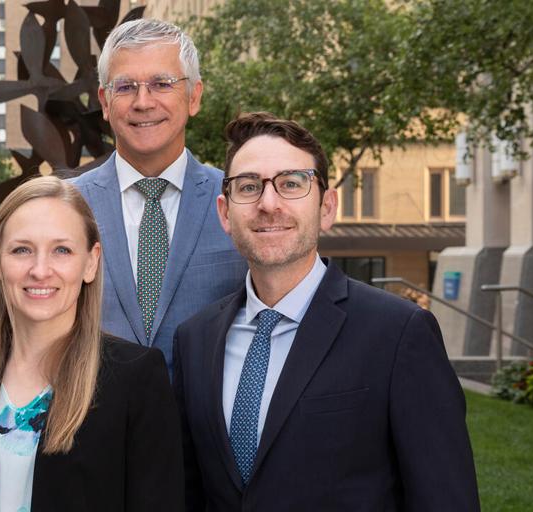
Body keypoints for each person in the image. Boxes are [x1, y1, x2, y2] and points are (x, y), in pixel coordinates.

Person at [173, 112, 479, 510]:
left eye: (291, 184)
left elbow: (445, 499)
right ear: (225, 213)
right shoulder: (195, 339)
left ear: (327, 206)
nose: (268, 203)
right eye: (248, 187)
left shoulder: (398, 333)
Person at [0, 176, 184, 512]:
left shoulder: (135, 378)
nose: (40, 270)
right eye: (22, 250)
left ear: (90, 262)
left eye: (61, 250)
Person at [70, 18, 246, 372]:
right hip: (92, 421)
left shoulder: (241, 202)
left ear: (193, 96)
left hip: (206, 424)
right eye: (125, 87)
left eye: (162, 84)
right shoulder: (66, 207)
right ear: (105, 102)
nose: (143, 102)